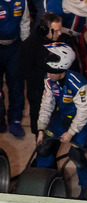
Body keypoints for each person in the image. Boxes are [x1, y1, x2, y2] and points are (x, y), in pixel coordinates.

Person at [36, 42, 87, 195]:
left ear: (61, 69)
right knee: (43, 148)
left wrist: (71, 132)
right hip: (61, 118)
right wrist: (41, 128)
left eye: (51, 71)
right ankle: (42, 182)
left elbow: (84, 113)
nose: (48, 75)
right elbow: (46, 104)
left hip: (81, 123)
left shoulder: (80, 86)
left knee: (77, 156)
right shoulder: (49, 81)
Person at [19, 13, 63, 135]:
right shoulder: (29, 46)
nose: (60, 33)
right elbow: (24, 71)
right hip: (38, 92)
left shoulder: (59, 39)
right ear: (45, 29)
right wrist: (46, 74)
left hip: (57, 92)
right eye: (57, 31)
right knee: (39, 125)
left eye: (61, 29)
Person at [0, 0, 30, 137]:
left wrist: (25, 47)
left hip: (14, 47)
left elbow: (25, 24)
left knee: (17, 85)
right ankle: (0, 120)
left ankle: (15, 121)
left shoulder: (22, 2)